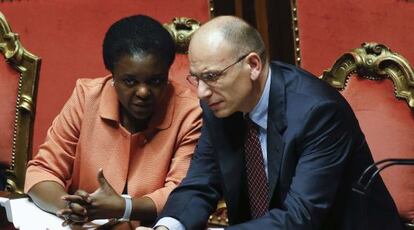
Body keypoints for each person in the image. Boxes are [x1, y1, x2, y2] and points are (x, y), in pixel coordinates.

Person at [144, 16, 404, 230]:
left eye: (212, 76)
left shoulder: (318, 112)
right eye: (196, 79)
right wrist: (168, 227)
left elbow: (301, 217)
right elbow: (200, 183)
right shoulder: (220, 105)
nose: (201, 92)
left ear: (253, 65)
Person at [24, 14, 202, 227]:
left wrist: (124, 207)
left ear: (167, 74)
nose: (143, 92)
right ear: (112, 75)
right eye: (130, 81)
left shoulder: (190, 112)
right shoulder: (86, 97)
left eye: (156, 81)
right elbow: (42, 171)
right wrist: (70, 208)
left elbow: (183, 193)